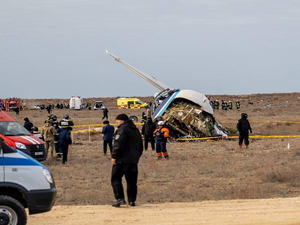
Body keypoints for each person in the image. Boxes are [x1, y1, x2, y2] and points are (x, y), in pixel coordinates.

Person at [111, 114, 143, 207]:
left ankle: (120, 198)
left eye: (117, 121)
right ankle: (132, 200)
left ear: (122, 121)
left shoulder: (122, 130)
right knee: (132, 181)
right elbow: (140, 146)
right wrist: (136, 157)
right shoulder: (136, 130)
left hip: (121, 160)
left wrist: (114, 157)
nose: (116, 122)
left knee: (116, 178)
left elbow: (119, 145)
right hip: (133, 161)